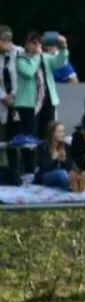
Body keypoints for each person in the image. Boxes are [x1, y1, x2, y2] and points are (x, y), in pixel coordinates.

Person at [15, 32, 70, 173]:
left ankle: (48, 165)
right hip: (29, 104)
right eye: (33, 43)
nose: (37, 46)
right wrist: (36, 57)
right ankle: (29, 169)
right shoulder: (21, 59)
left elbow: (60, 62)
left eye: (39, 43)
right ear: (26, 45)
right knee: (30, 137)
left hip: (47, 101)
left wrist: (63, 48)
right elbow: (29, 72)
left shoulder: (45, 57)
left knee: (49, 134)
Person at [33, 121, 85, 192]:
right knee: (61, 173)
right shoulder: (43, 146)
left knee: (74, 174)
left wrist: (64, 161)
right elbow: (44, 168)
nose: (63, 134)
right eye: (60, 132)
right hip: (46, 176)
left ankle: (74, 185)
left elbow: (69, 168)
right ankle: (72, 187)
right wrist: (57, 160)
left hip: (63, 176)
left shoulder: (67, 147)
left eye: (63, 132)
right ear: (52, 133)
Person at [0, 25, 22, 185]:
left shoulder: (19, 53)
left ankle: (15, 171)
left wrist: (14, 96)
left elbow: (24, 76)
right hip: (1, 101)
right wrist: (3, 97)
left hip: (17, 100)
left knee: (14, 138)